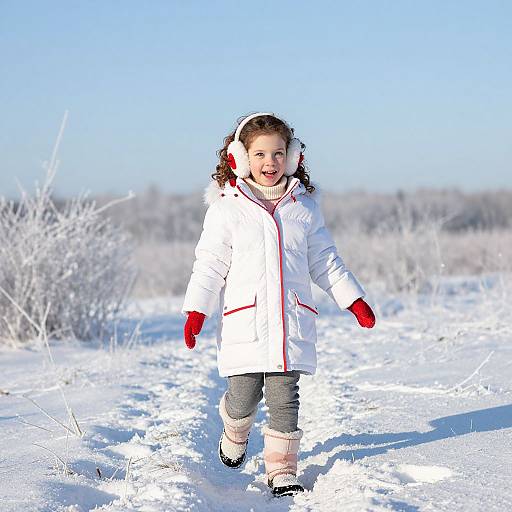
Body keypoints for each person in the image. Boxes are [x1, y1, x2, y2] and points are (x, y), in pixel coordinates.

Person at [181, 112, 375, 497]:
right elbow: (210, 263)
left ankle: (282, 471)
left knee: (285, 396)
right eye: (260, 154)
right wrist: (197, 310)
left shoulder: (304, 208)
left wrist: (352, 299)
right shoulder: (227, 208)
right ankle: (235, 431)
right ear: (239, 157)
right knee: (244, 396)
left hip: (291, 322)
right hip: (245, 325)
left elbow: (324, 259)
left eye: (278, 153)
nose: (270, 162)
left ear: (293, 156)